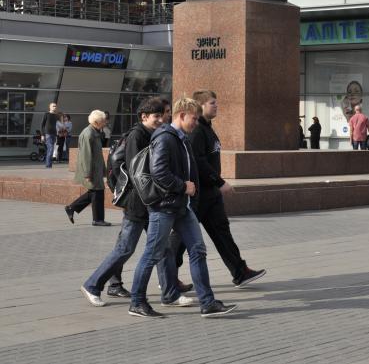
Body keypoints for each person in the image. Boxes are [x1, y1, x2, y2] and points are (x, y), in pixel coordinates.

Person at [129, 97, 237, 318]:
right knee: (152, 253)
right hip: (165, 207)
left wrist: (190, 197)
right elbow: (159, 172)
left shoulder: (181, 138)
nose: (196, 123)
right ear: (181, 115)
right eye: (193, 119)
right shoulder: (166, 138)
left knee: (198, 250)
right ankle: (137, 302)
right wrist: (182, 187)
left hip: (182, 207)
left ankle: (207, 303)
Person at [80, 98, 191, 307]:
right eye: (156, 116)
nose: (160, 119)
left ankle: (170, 293)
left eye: (162, 115)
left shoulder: (153, 134)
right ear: (144, 117)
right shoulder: (137, 136)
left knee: (164, 247)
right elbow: (138, 171)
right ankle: (92, 285)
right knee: (125, 248)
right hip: (139, 202)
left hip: (151, 201)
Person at [190, 90, 266, 287]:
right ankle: (168, 273)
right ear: (201, 106)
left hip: (210, 194)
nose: (216, 106)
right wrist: (219, 181)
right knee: (183, 238)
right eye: (212, 103)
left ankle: (239, 271)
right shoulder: (198, 131)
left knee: (222, 232)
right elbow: (198, 161)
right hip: (201, 193)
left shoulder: (207, 129)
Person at [65, 110, 111, 227]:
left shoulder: (94, 132)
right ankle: (97, 219)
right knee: (97, 192)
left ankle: (72, 208)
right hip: (91, 170)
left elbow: (97, 154)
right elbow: (86, 155)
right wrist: (87, 173)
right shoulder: (88, 134)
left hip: (95, 168)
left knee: (95, 192)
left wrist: (103, 169)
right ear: (96, 122)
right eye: (103, 121)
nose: (105, 123)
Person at [41, 102, 59, 168]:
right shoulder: (46, 114)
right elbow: (42, 125)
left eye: (55, 106)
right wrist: (42, 135)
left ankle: (49, 165)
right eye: (53, 106)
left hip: (54, 134)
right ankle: (48, 165)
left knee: (50, 149)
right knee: (50, 149)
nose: (55, 107)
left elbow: (57, 125)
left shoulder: (56, 115)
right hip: (48, 134)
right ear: (50, 107)